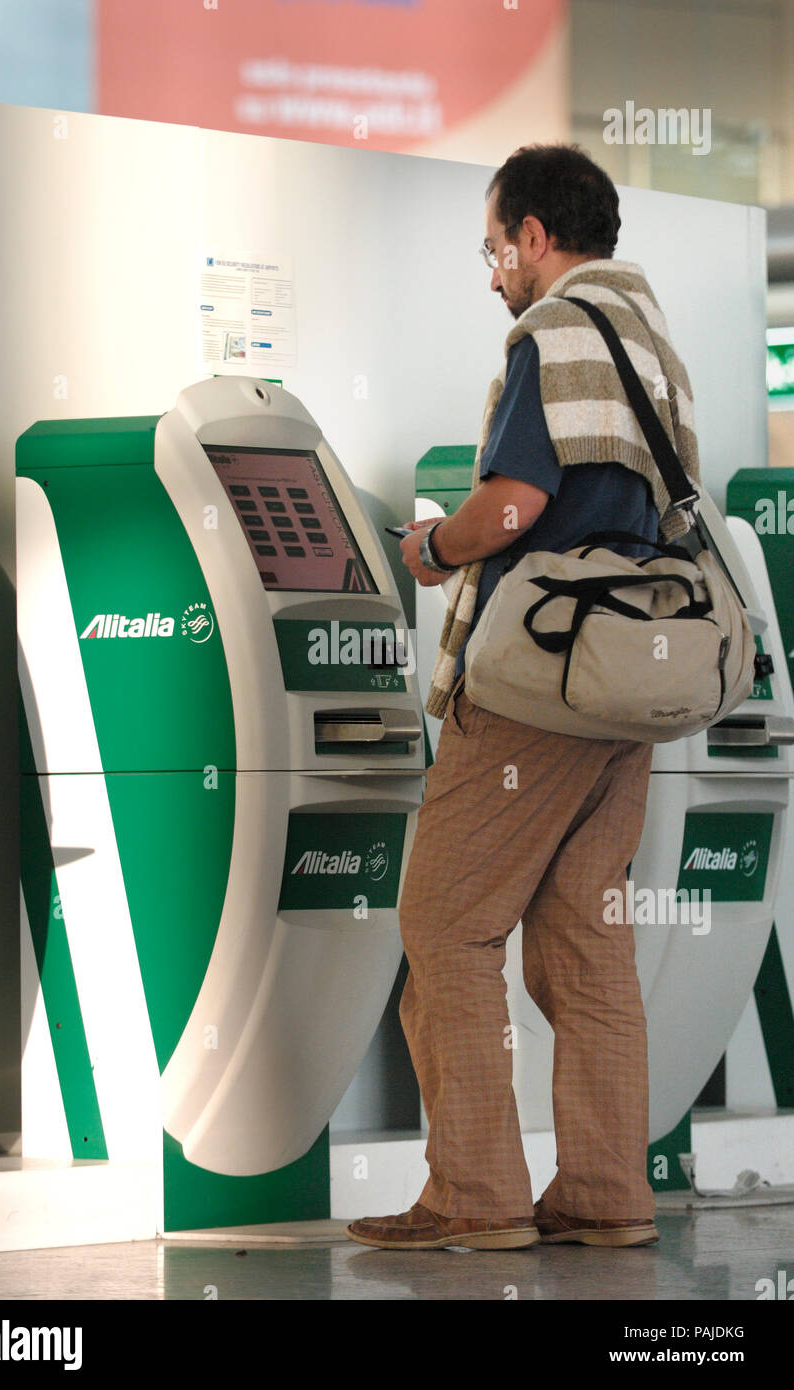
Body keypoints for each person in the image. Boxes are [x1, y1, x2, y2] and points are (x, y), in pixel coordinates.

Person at [346, 143, 701, 1251]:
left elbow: (512, 505)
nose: (490, 267)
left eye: (493, 244)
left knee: (444, 925)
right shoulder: (652, 344)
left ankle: (476, 1196)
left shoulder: (547, 334)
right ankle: (604, 1195)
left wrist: (433, 547)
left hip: (539, 676)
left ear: (535, 235)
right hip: (627, 683)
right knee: (583, 939)